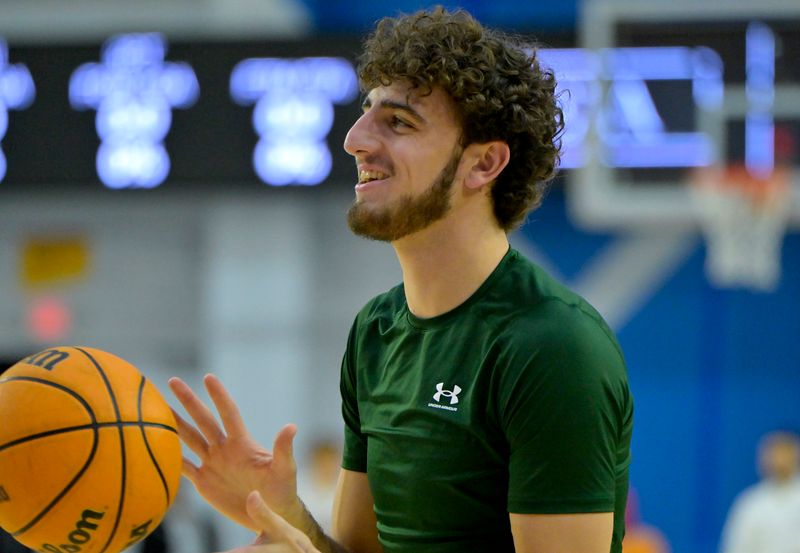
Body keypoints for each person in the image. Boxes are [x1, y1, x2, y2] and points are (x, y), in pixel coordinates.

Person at [168, 7, 633, 552]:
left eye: (399, 122)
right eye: (366, 113)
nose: (355, 140)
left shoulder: (550, 344)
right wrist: (284, 514)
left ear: (483, 165)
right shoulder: (376, 331)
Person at [720, 430, 800, 553]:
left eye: (785, 451)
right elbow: (735, 547)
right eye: (774, 452)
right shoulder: (750, 502)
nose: (780, 459)